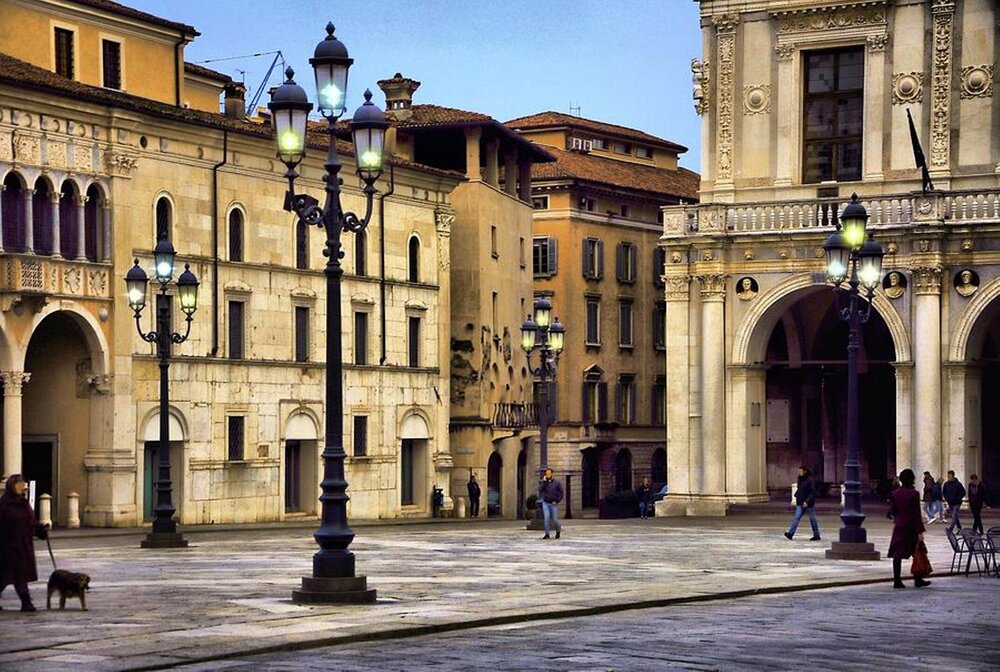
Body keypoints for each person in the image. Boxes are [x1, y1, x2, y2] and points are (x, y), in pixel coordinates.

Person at [0, 474, 48, 612]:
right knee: (9, 575)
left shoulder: (24, 504)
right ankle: (26, 602)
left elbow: (30, 523)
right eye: (19, 484)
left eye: (23, 484)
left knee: (17, 574)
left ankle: (26, 602)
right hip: (7, 547)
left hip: (23, 546)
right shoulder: (4, 505)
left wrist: (40, 530)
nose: (22, 487)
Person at [888, 469, 930, 588]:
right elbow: (916, 514)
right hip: (911, 527)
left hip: (900, 526)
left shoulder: (895, 493)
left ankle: (897, 580)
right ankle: (918, 579)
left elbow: (893, 511)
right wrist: (920, 531)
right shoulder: (914, 493)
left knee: (897, 554)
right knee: (916, 551)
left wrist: (897, 519)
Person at [784, 466, 821, 541]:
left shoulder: (810, 480)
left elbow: (813, 492)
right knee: (796, 517)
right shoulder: (800, 479)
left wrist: (807, 501)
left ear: (805, 471)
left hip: (808, 503)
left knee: (812, 519)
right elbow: (800, 489)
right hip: (800, 502)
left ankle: (816, 535)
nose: (799, 472)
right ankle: (790, 533)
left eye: (800, 471)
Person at [538, 468, 563, 540]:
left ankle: (558, 530)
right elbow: (540, 490)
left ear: (552, 474)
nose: (548, 475)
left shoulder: (557, 483)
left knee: (555, 519)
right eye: (546, 473)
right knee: (546, 518)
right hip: (545, 502)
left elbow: (561, 493)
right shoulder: (544, 482)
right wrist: (544, 482)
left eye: (549, 473)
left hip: (553, 503)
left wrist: (557, 500)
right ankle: (547, 534)